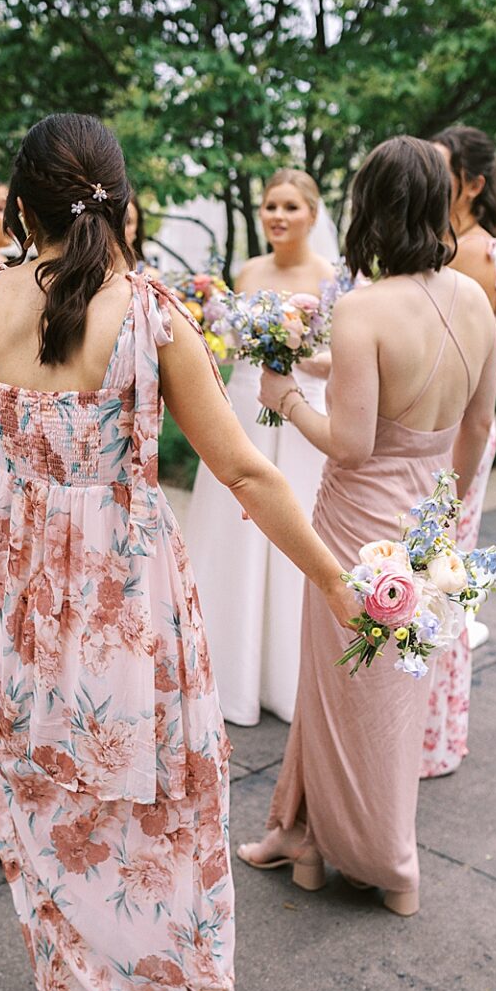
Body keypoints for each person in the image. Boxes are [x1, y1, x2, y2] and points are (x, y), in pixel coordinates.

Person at [0, 113, 355, 991]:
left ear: (19, 207)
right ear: (121, 202)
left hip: (21, 598)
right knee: (154, 817)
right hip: (124, 607)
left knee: (48, 811)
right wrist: (336, 579)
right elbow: (246, 469)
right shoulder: (147, 316)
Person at [238, 136, 496, 917]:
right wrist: (440, 521)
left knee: (347, 692)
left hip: (354, 527)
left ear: (370, 208)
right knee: (374, 697)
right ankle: (305, 841)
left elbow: (349, 443)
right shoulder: (476, 302)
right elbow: (476, 430)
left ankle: (388, 863)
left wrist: (282, 396)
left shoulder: (363, 307)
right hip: (421, 531)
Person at [185, 169, 338, 726]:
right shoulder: (248, 271)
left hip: (301, 416)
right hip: (246, 412)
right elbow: (226, 347)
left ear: (312, 215)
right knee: (236, 536)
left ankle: (289, 676)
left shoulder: (329, 276)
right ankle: (231, 672)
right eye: (271, 205)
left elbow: (339, 358)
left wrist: (291, 352)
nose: (277, 216)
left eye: (290, 207)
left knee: (295, 531)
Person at [422, 125, 496, 778]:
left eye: (441, 169)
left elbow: (468, 377)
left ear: (473, 184)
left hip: (455, 437)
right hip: (432, 433)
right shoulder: (443, 245)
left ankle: (431, 738)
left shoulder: (475, 255)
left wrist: (449, 484)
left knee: (439, 584)